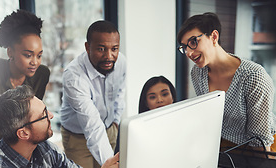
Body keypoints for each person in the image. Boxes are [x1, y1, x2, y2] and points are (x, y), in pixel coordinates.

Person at [177, 12, 276, 152]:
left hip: (261, 151)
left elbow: (260, 141)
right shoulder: (198, 73)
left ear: (214, 37)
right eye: (184, 47)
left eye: (193, 42)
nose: (189, 53)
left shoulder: (254, 76)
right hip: (225, 147)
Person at [0, 9, 50, 162]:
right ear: (10, 52)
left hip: (23, 152)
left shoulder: (42, 74)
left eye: (39, 55)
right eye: (28, 55)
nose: (35, 62)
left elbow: (32, 119)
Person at [60, 20, 126, 168]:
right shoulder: (74, 77)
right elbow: (92, 124)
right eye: (101, 49)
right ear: (87, 47)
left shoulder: (121, 62)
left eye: (114, 49)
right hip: (77, 139)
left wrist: (115, 121)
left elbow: (120, 92)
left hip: (109, 129)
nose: (109, 56)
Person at [115, 76, 176, 153]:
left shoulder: (183, 122)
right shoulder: (132, 128)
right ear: (146, 103)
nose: (160, 100)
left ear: (172, 97)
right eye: (153, 97)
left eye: (164, 94)